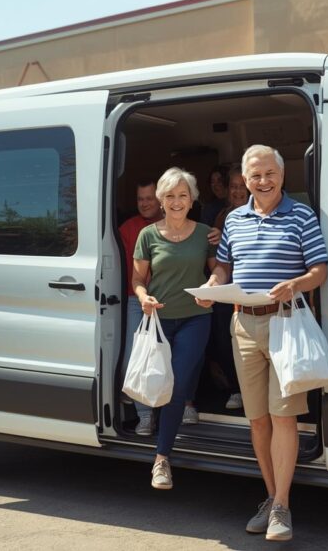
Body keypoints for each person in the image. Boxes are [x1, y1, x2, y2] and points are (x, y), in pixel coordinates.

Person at [197, 145, 328, 542]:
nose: (262, 181)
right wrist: (211, 285)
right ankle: (272, 499)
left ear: (282, 175)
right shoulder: (234, 219)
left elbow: (320, 269)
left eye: (269, 173)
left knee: (283, 417)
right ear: (245, 178)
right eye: (254, 175)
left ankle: (282, 507)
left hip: (286, 325)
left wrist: (296, 284)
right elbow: (223, 267)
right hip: (244, 325)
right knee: (257, 420)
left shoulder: (302, 216)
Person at [132, 167, 217, 490]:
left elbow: (218, 270)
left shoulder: (206, 233)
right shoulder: (148, 235)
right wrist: (143, 297)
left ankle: (161, 459)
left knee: (176, 385)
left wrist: (212, 284)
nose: (177, 201)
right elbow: (138, 279)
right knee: (163, 384)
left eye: (183, 195)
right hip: (159, 320)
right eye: (170, 196)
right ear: (161, 200)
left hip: (196, 319)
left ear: (192, 199)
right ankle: (163, 430)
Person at [118, 179, 162, 435]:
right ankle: (144, 415)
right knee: (135, 360)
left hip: (169, 301)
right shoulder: (128, 228)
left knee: (167, 359)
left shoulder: (173, 224)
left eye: (149, 198)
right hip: (136, 300)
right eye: (140, 199)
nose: (145, 203)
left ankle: (179, 408)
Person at [209, 170, 249, 410]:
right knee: (225, 341)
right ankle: (236, 389)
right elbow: (216, 256)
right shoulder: (222, 215)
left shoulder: (258, 213)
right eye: (233, 186)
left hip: (252, 292)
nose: (237, 191)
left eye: (242, 186)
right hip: (225, 288)